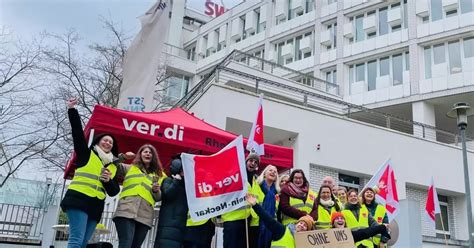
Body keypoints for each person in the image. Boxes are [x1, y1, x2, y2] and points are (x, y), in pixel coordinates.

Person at [61, 98, 124, 248]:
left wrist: (108, 181)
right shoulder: (86, 154)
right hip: (78, 199)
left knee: (83, 243)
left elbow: (114, 192)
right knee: (76, 240)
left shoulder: (113, 166)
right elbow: (77, 134)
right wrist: (72, 110)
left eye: (110, 142)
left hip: (96, 206)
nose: (107, 143)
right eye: (105, 140)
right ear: (97, 142)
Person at [246, 194, 390, 248]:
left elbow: (362, 233)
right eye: (300, 223)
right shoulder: (282, 231)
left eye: (305, 225)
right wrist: (255, 205)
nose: (301, 225)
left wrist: (380, 227)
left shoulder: (327, 238)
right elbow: (267, 219)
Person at [113, 144, 166, 248]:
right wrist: (123, 157)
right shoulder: (130, 168)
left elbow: (159, 197)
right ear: (140, 155)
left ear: (154, 156)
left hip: (145, 215)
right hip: (125, 211)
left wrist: (156, 191)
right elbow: (112, 165)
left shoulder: (161, 176)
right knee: (125, 244)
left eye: (150, 152)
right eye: (145, 151)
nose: (148, 154)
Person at [221, 153, 261, 248]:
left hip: (246, 219)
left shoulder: (256, 181)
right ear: (246, 162)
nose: (253, 163)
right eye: (251, 160)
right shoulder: (235, 176)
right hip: (232, 219)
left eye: (256, 162)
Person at [154, 159, 188, 248]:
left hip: (180, 224)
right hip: (168, 224)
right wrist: (176, 181)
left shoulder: (186, 186)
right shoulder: (168, 181)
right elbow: (168, 195)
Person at [254, 165, 280, 248]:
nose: (273, 172)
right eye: (270, 170)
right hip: (256, 224)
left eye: (275, 172)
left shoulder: (277, 193)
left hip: (271, 227)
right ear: (264, 174)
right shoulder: (257, 186)